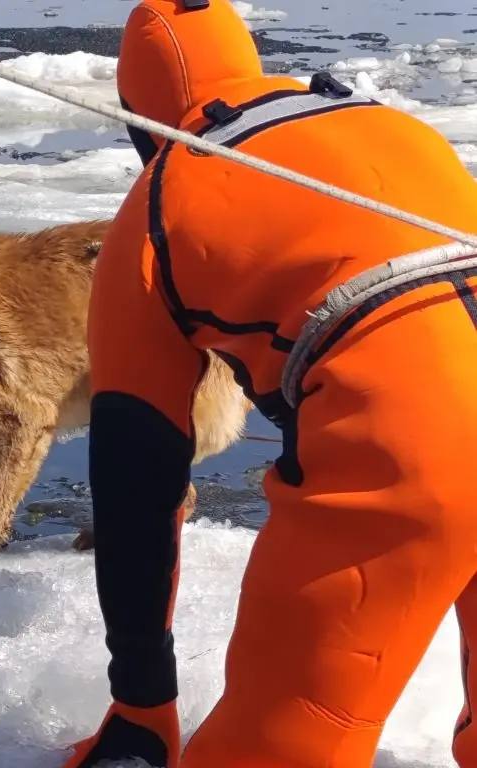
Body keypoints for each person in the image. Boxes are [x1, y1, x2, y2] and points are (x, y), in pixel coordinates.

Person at [66, 0, 477, 766]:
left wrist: (142, 704)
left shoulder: (159, 203)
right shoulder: (390, 123)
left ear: (140, 120)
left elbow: (137, 484)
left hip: (410, 451)